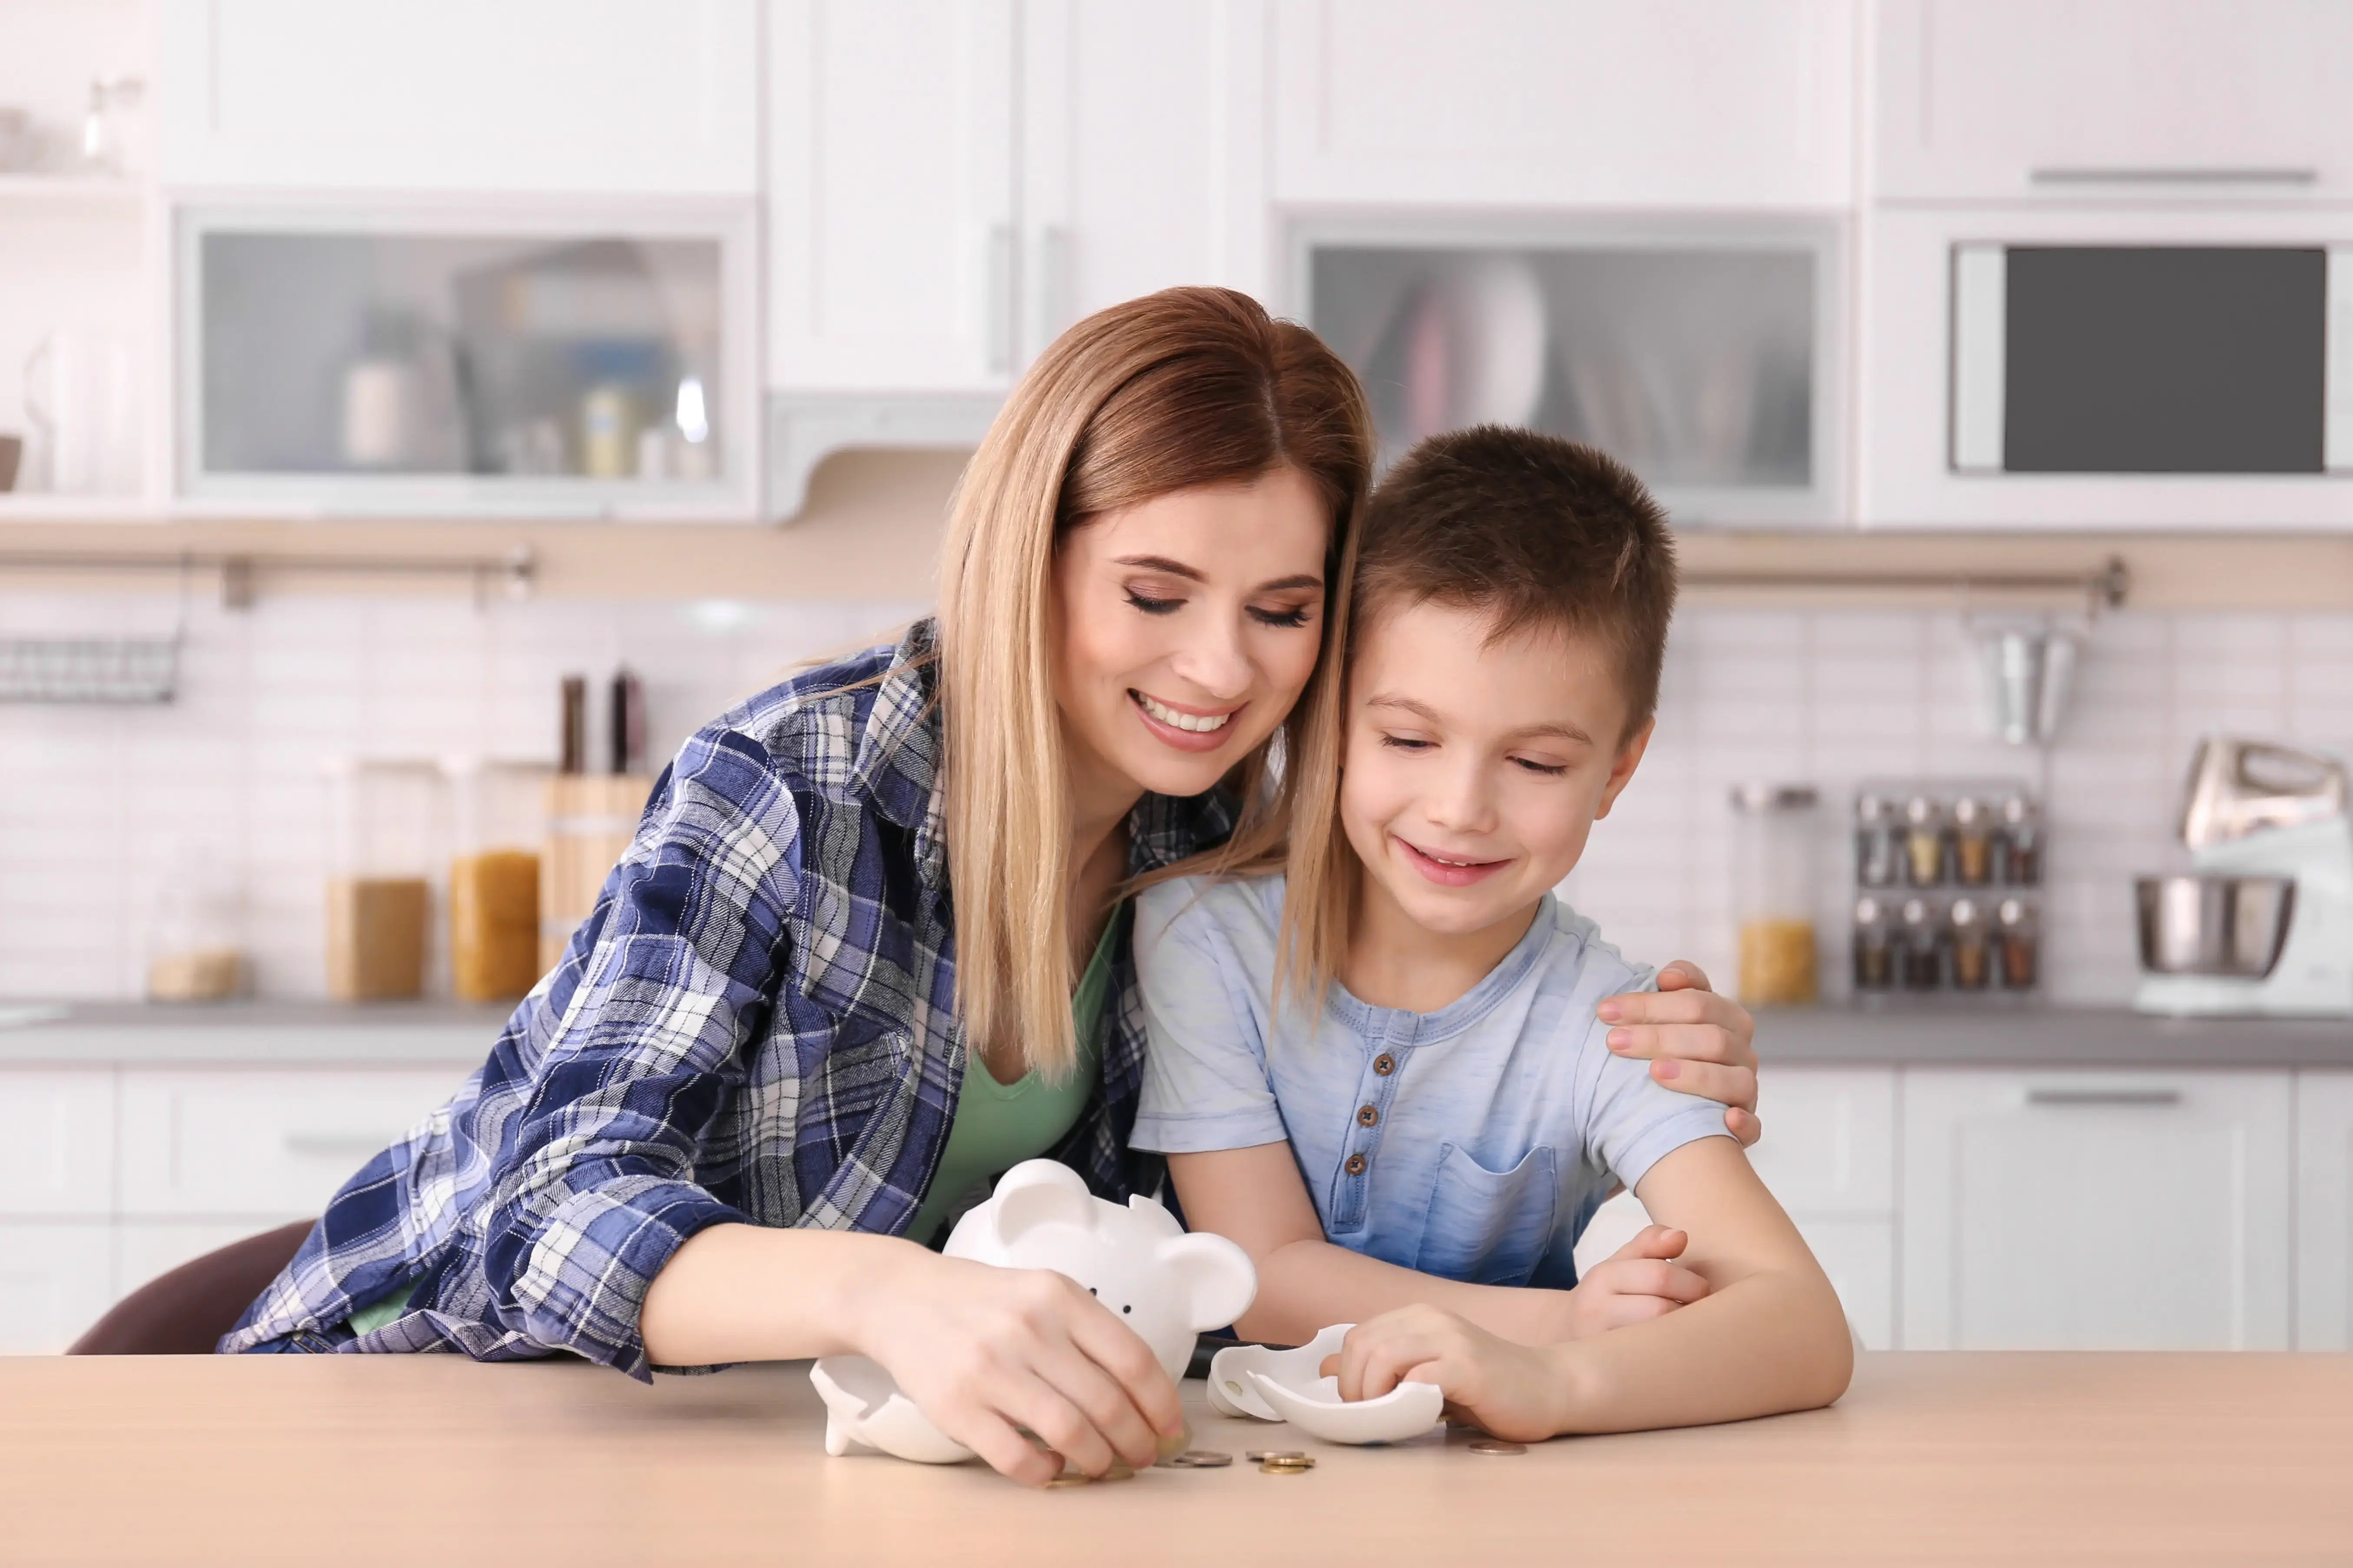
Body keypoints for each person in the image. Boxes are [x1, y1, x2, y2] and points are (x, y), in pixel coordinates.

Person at [222, 290, 1766, 1485]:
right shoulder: (798, 784)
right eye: (1155, 594)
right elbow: (543, 1217)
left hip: (789, 1462)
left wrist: (1652, 1052)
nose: (1220, 668)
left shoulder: (1214, 859)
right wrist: (883, 1298)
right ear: (1033, 557)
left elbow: (1348, 1134)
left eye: (1283, 611)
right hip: (429, 1407)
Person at [1133, 426, 1852, 1432]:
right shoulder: (1203, 939)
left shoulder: (1612, 1025)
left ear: (1617, 770)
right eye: (1410, 739)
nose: (1460, 808)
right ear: (1334, 717)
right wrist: (1556, 1327)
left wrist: (1557, 1383)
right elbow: (1256, 1272)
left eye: (1537, 764)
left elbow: (1804, 1328)